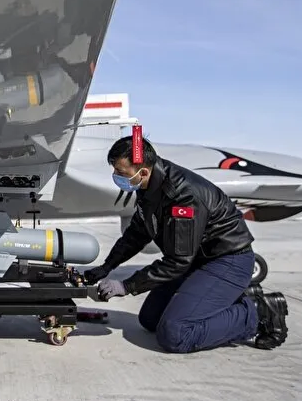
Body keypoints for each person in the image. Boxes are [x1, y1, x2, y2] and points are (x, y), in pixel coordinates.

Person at [83, 135, 288, 353]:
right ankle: (233, 298)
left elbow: (178, 261)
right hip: (197, 259)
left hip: (227, 261)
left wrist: (127, 285)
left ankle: (257, 312)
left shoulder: (182, 196)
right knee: (150, 320)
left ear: (143, 171)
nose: (116, 177)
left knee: (176, 333)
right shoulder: (148, 187)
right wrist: (107, 267)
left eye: (121, 173)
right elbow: (137, 233)